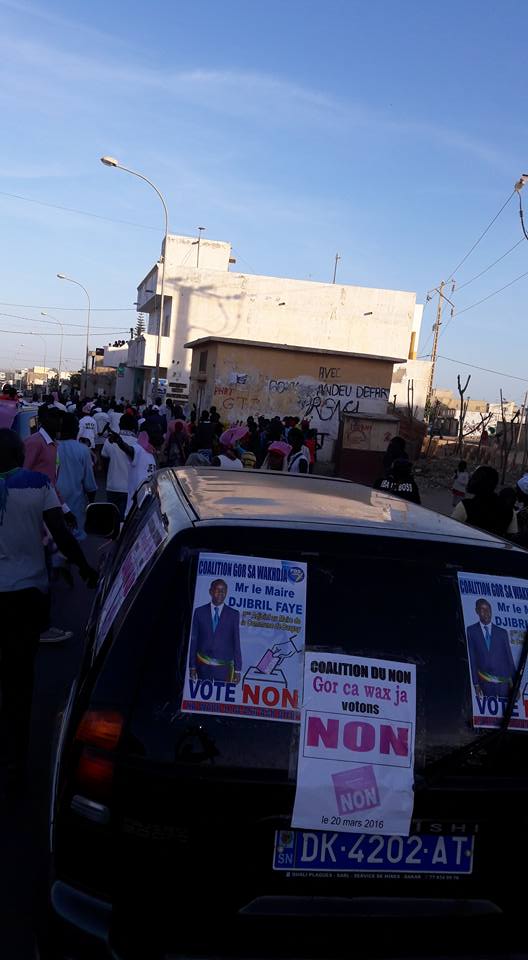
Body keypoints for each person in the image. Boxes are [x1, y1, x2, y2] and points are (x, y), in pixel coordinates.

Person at [0, 429, 97, 790]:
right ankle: (15, 760)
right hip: (25, 596)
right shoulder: (38, 485)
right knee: (19, 678)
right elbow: (60, 533)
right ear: (17, 453)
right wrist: (85, 568)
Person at [188, 579, 241, 683]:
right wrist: (192, 667)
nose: (221, 593)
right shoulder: (199, 612)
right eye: (218, 590)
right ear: (210, 591)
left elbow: (236, 643)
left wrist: (238, 670)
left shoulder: (233, 614)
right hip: (202, 668)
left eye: (224, 591)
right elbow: (194, 641)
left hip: (224, 670)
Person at [466, 598, 516, 700]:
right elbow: (473, 659)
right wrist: (476, 684)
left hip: (503, 683)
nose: (487, 613)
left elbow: (509, 659)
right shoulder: (471, 631)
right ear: (477, 611)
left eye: (488, 609)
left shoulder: (501, 633)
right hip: (485, 683)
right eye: (483, 610)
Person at [56, 414, 97, 539]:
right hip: (75, 510)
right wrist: (91, 506)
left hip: (52, 508)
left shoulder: (51, 448)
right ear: (76, 430)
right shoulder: (83, 450)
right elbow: (90, 486)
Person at [107, 422, 159, 515]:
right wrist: (120, 442)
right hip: (134, 509)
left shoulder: (152, 453)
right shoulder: (139, 449)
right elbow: (129, 449)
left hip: (147, 507)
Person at [452, 465, 517, 537]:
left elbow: (450, 531)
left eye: (473, 478)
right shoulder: (509, 510)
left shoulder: (465, 506)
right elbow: (512, 537)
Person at [101, 413, 138, 521]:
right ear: (134, 427)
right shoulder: (138, 443)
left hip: (112, 486)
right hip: (130, 489)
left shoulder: (110, 440)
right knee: (126, 522)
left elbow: (105, 459)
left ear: (120, 425)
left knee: (112, 521)